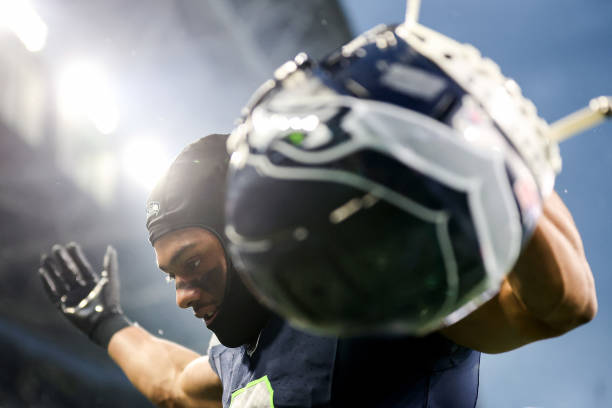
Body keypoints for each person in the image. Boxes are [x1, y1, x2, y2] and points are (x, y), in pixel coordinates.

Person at [38, 132, 596, 408]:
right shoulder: (237, 359)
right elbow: (172, 385)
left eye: (193, 264)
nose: (183, 295)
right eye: (171, 274)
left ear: (251, 237)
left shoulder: (374, 298)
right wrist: (105, 322)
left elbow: (556, 308)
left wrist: (500, 165)